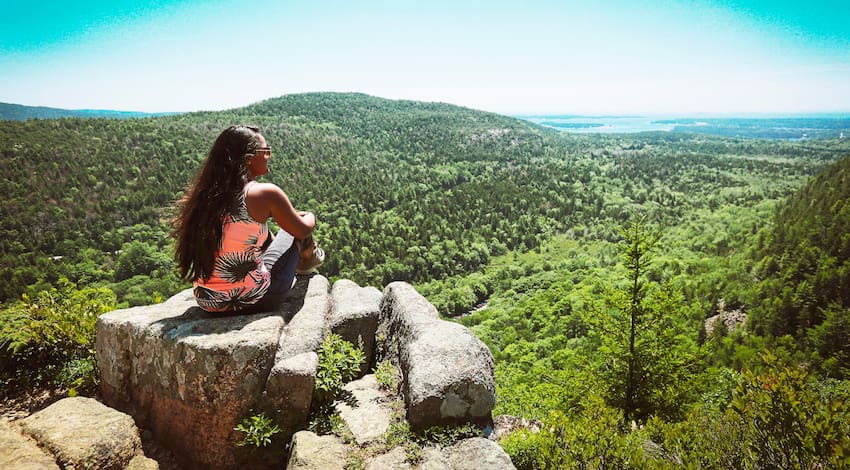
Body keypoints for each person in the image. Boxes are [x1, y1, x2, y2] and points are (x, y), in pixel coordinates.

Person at [173, 125, 324, 313]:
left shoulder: (205, 198)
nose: (269, 156)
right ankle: (309, 259)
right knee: (297, 224)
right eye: (266, 151)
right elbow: (302, 230)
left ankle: (304, 260)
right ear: (249, 159)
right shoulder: (263, 193)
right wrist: (310, 216)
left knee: (264, 232)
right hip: (257, 298)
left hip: (208, 302)